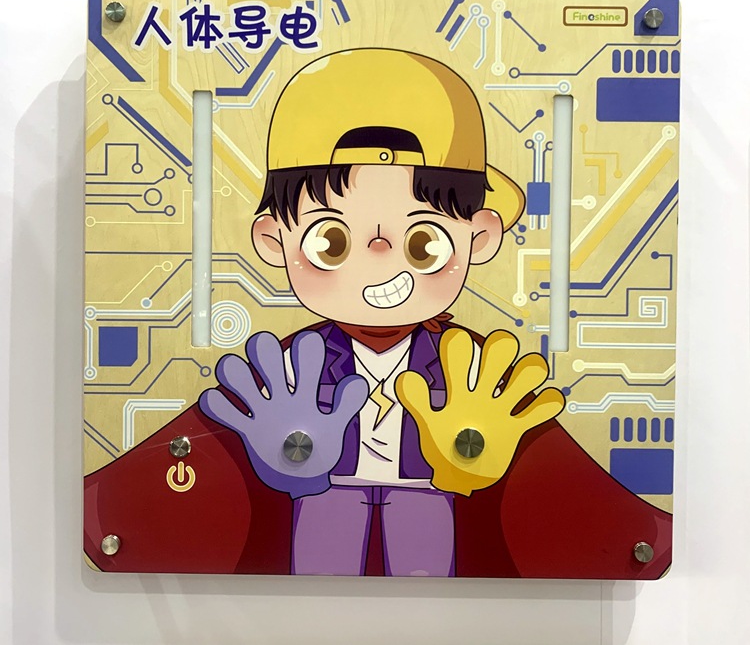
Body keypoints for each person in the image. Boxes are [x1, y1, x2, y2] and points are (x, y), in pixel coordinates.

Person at [84, 48, 672, 579]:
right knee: (318, 577)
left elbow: (575, 500)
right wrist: (276, 464)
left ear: (480, 237)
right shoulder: (292, 364)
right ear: (272, 240)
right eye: (331, 241)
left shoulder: (470, 364)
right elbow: (163, 488)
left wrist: (481, 460)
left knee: (427, 579)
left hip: (428, 495)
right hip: (325, 497)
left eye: (423, 243)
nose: (380, 265)